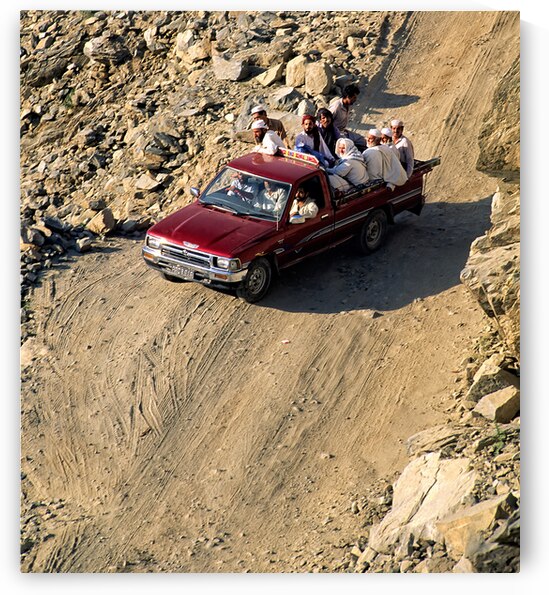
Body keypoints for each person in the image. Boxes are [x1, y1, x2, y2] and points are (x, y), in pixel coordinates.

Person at [328, 84, 367, 151]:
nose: (355, 100)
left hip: (344, 131)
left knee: (362, 140)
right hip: (336, 134)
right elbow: (326, 123)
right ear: (348, 97)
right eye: (354, 97)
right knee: (349, 146)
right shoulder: (336, 107)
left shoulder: (347, 105)